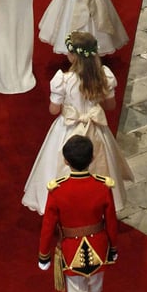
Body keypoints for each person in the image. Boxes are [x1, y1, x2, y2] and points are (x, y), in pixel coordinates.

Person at [23, 31, 133, 213]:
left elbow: (54, 110)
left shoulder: (63, 80)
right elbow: (111, 105)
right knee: (98, 165)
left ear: (73, 56)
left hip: (68, 129)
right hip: (95, 129)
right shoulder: (104, 76)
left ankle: (65, 207)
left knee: (61, 168)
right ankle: (97, 205)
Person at [38, 133, 118, 292]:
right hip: (99, 247)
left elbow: (48, 226)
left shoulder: (57, 190)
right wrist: (113, 248)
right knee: (96, 290)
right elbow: (112, 222)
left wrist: (43, 255)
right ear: (92, 158)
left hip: (72, 251)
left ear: (65, 160)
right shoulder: (102, 186)